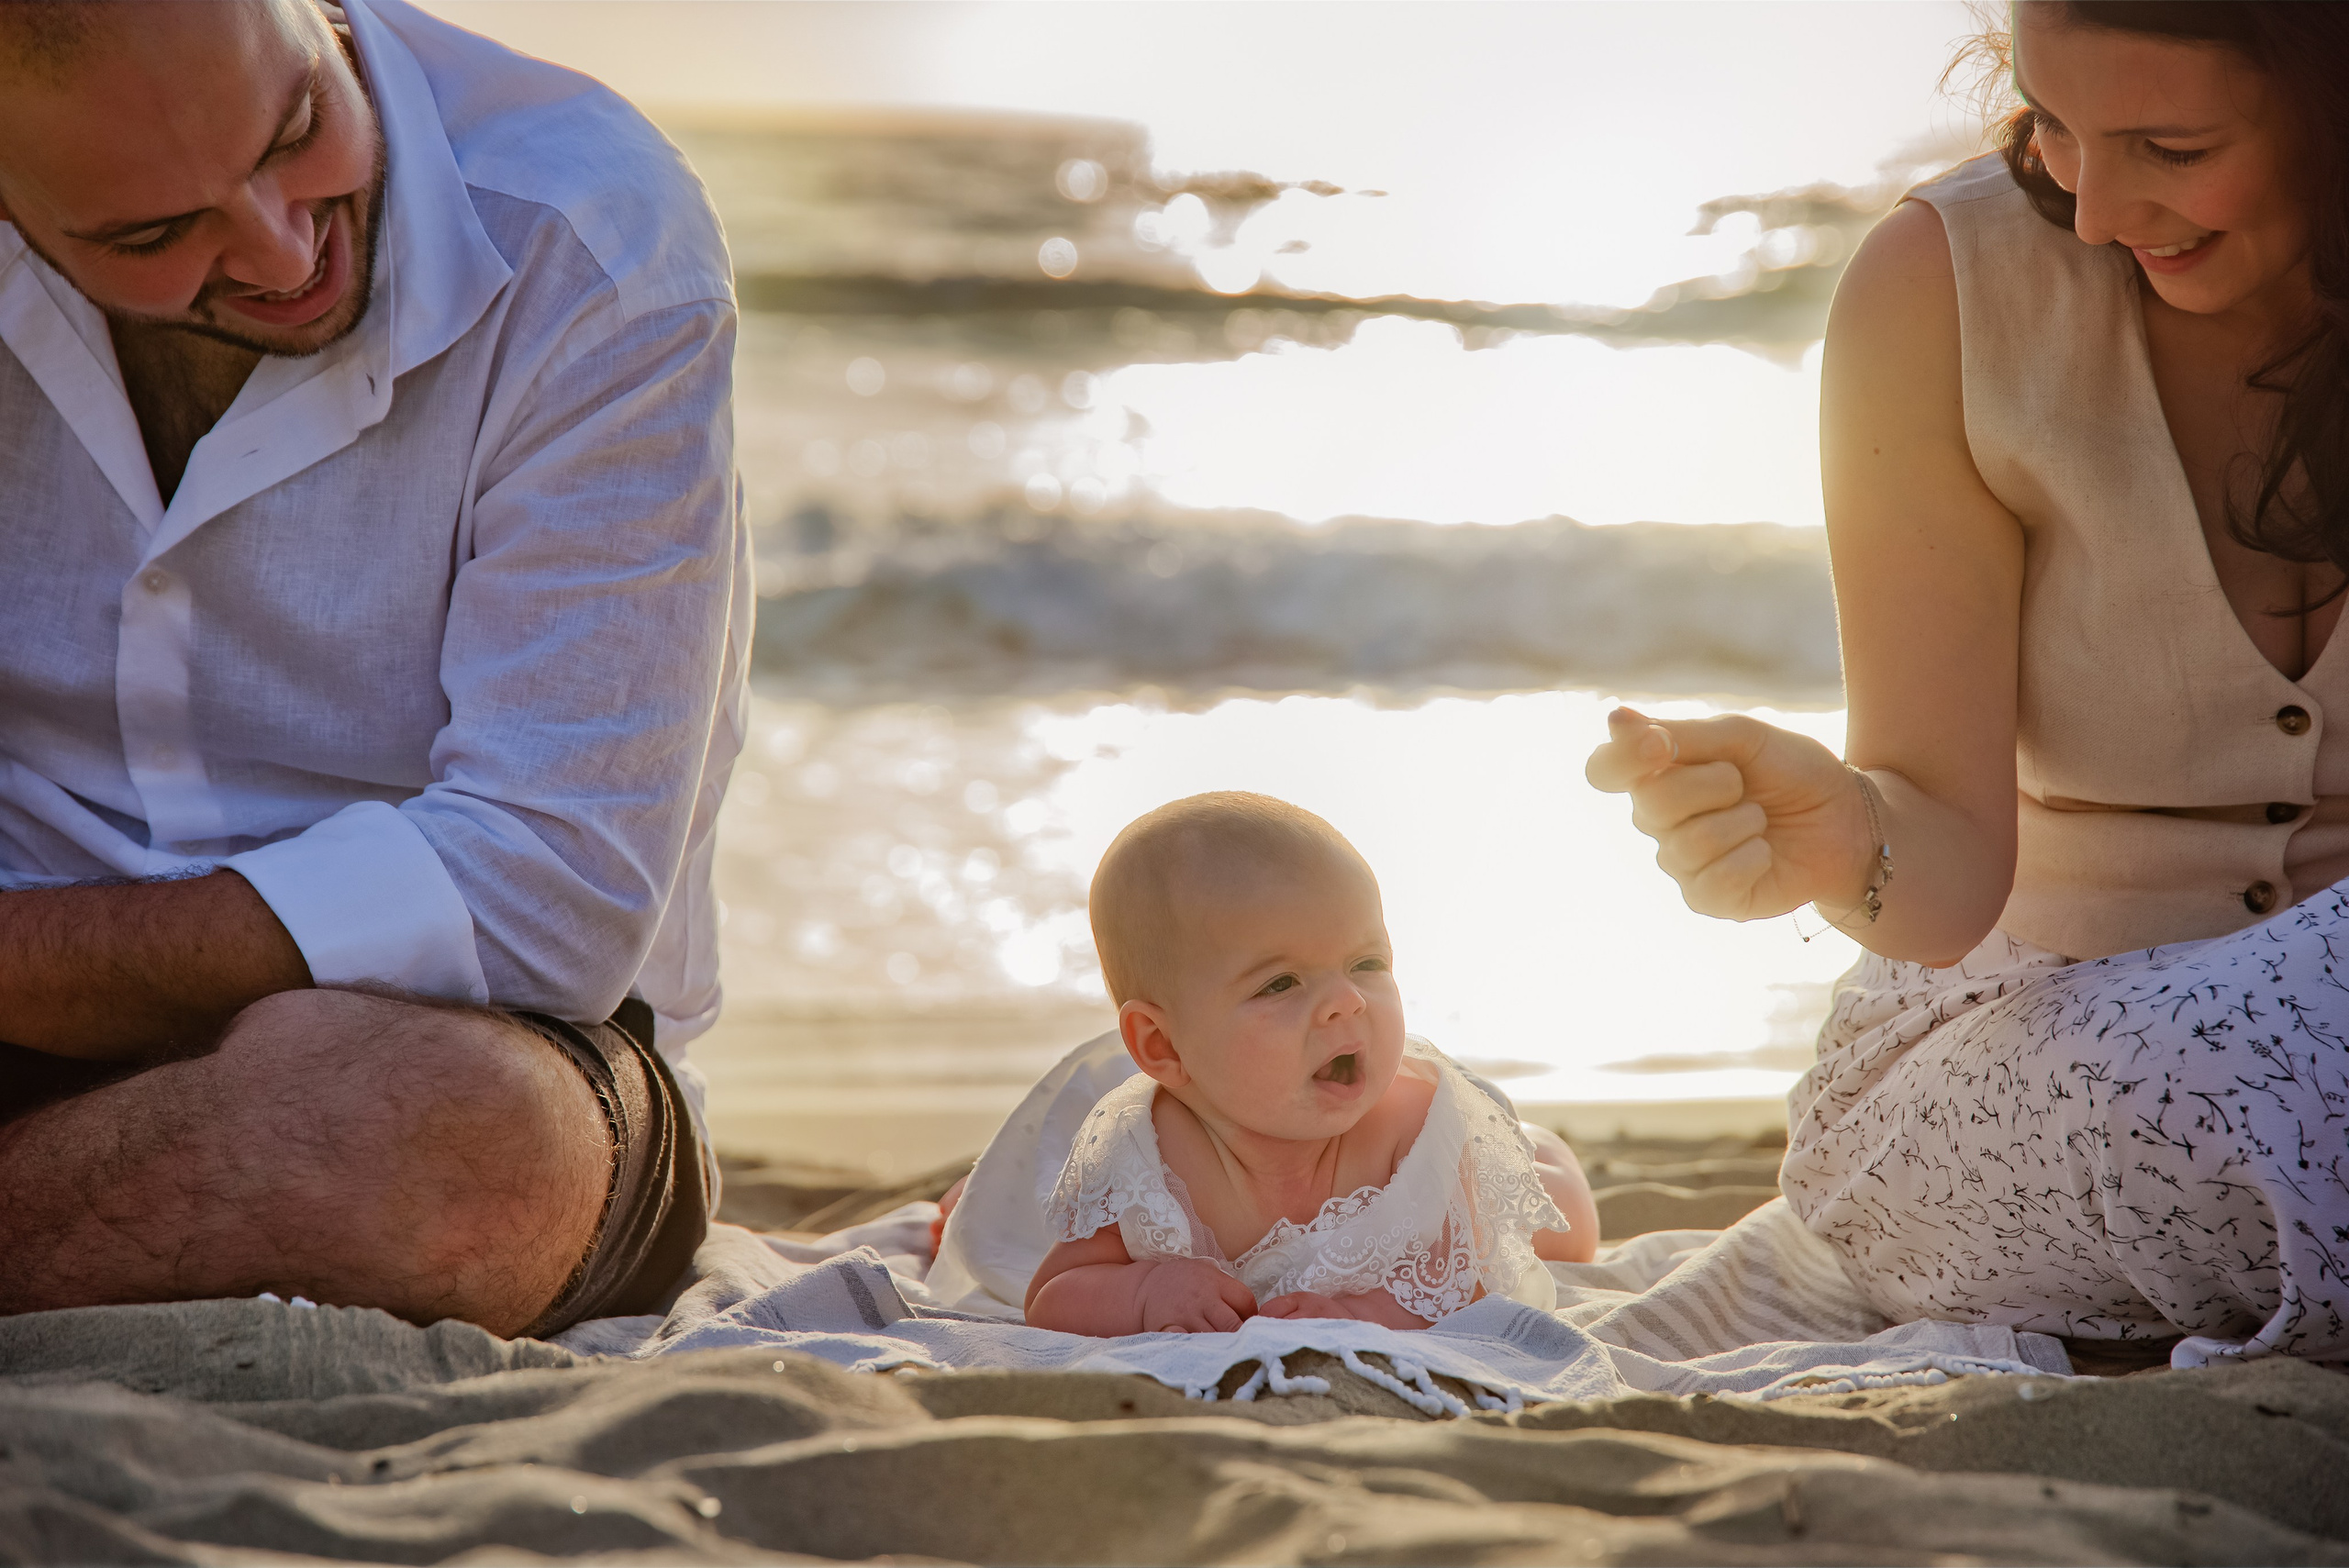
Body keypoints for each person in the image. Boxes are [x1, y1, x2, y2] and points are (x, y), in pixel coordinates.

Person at [1586, 1, 2349, 1363]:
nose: (2100, 208)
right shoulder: (1939, 292)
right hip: (2015, 1080)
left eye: (2167, 146)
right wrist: (1844, 833)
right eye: (2054, 125)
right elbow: (1932, 881)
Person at [0, 0, 747, 1340]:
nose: (284, 249)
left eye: (298, 133)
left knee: (453, 1146)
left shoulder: (585, 234)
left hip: (448, 1039)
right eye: (153, 236)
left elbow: (542, 903)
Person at [1023, 793, 1598, 1337]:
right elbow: (1053, 1294)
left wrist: (1364, 1312)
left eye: (1366, 962)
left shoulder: (1419, 1128)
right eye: (1281, 983)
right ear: (1163, 1046)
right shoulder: (1145, 1152)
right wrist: (1145, 1289)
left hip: (1482, 1170)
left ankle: (1538, 1144)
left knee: (1560, 1219)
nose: (1347, 1001)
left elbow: (1471, 1280)